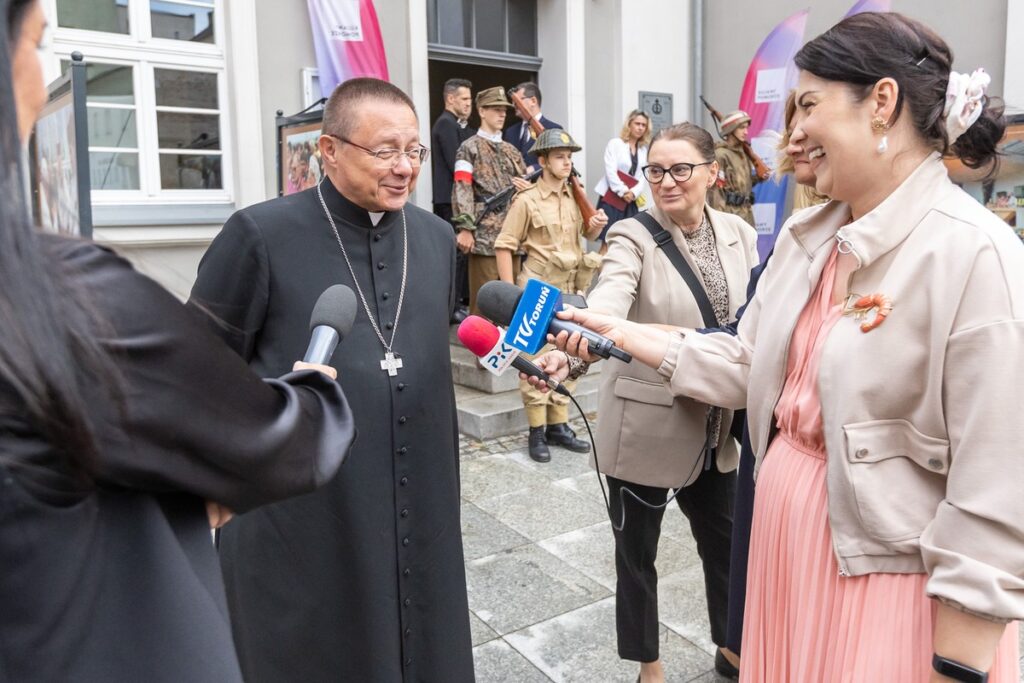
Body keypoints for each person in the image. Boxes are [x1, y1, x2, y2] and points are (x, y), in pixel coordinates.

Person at [533, 12, 1024, 682]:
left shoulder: (975, 253)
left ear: (881, 102)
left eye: (808, 107)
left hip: (881, 586)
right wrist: (623, 333)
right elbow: (746, 361)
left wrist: (958, 664)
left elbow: (995, 489)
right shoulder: (807, 237)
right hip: (785, 557)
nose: (790, 133)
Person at [0, 1, 356, 680]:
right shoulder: (55, 297)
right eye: (37, 43)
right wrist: (310, 392)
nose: (40, 81)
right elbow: (265, 437)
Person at [189, 77, 475, 682]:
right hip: (303, 517)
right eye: (384, 151)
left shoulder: (437, 238)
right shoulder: (258, 235)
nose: (404, 168)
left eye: (415, 151)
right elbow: (195, 377)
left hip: (419, 499)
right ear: (329, 150)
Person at [585, 122, 757, 683]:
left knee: (729, 545)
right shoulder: (630, 236)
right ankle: (648, 665)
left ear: (713, 173)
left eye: (681, 168)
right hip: (646, 423)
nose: (666, 181)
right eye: (655, 170)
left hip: (717, 427)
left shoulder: (740, 232)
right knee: (637, 556)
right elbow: (610, 296)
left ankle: (732, 647)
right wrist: (585, 338)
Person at [493, 128, 608, 462]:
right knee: (534, 362)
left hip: (571, 289)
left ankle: (559, 425)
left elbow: (585, 233)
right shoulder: (527, 200)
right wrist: (509, 298)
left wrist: (596, 225)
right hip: (535, 292)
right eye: (559, 156)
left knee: (571, 356)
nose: (566, 162)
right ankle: (537, 431)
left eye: (569, 157)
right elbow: (505, 245)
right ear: (542, 161)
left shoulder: (575, 197)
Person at [452, 85, 531, 315]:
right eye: (495, 109)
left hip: (512, 237)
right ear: (481, 111)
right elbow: (462, 187)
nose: (501, 115)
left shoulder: (512, 151)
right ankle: (481, 352)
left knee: (513, 302)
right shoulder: (468, 148)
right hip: (484, 236)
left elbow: (526, 186)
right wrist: (465, 227)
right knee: (483, 303)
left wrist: (527, 189)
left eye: (504, 110)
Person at [431, 77, 474, 322]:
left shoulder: (458, 125)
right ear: (450, 98)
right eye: (465, 99)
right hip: (450, 201)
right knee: (455, 255)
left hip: (454, 200)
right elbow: (456, 161)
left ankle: (457, 303)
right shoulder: (446, 125)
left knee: (460, 256)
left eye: (470, 99)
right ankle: (452, 306)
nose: (469, 103)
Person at [594, 109, 653, 254]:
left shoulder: (643, 150)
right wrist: (622, 191)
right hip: (612, 199)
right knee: (607, 243)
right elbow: (610, 171)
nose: (640, 127)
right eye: (637, 123)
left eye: (643, 125)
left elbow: (642, 176)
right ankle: (603, 277)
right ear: (629, 124)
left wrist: (632, 193)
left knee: (628, 243)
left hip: (630, 201)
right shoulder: (615, 144)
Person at [707, 110, 769, 226]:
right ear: (731, 129)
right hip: (730, 217)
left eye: (747, 128)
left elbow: (743, 184)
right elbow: (716, 192)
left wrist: (759, 177)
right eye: (741, 128)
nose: (746, 132)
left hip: (747, 215)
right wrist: (718, 224)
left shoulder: (743, 154)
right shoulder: (721, 155)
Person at [504, 81, 562, 174]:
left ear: (533, 101)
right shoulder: (510, 131)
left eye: (518, 100)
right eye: (513, 101)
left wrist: (534, 168)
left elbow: (557, 161)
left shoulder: (554, 129)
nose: (514, 105)